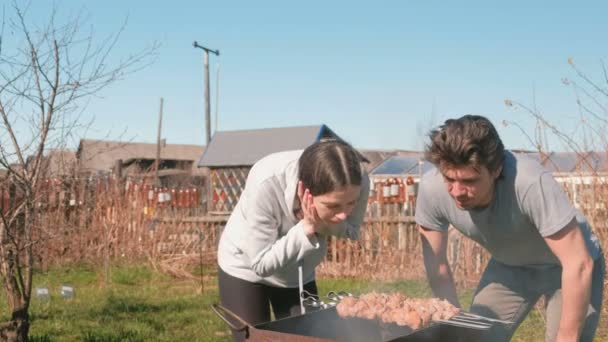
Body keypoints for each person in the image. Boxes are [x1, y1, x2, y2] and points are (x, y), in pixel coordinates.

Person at [414, 115, 604, 342]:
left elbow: (578, 263)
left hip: (568, 265)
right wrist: (453, 326)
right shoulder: (431, 189)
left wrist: (568, 336)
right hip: (510, 265)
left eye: (470, 181)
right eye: (449, 179)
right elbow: (438, 267)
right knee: (474, 337)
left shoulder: (529, 183)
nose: (456, 191)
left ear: (496, 169)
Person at [217, 139, 369, 342]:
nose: (343, 214)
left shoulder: (359, 180)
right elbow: (260, 264)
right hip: (246, 267)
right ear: (304, 190)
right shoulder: (265, 181)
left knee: (311, 337)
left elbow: (351, 230)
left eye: (351, 203)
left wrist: (319, 223)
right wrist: (306, 228)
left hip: (298, 272)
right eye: (332, 206)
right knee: (253, 339)